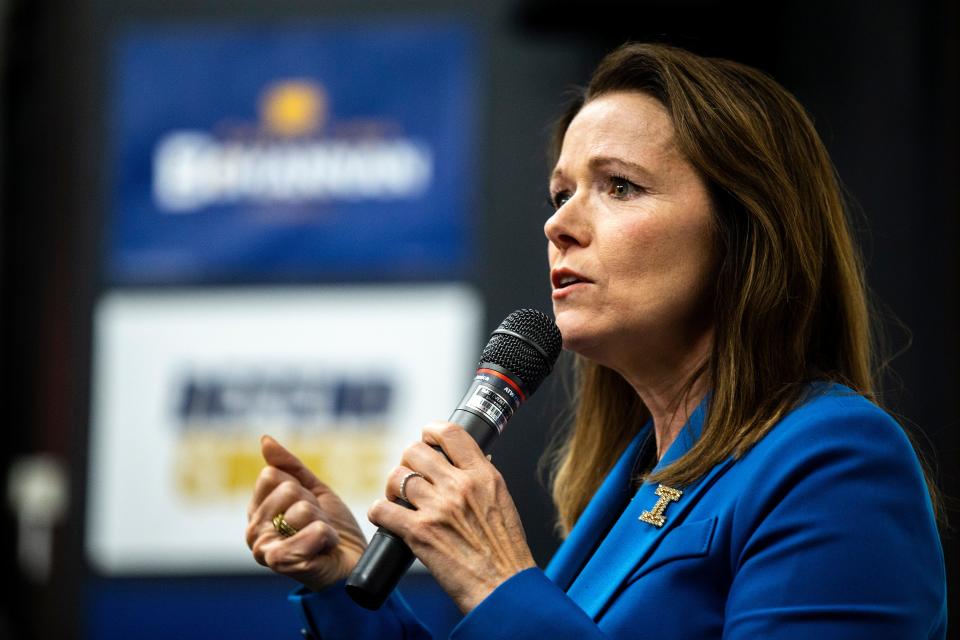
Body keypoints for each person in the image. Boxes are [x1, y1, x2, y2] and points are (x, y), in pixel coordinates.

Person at [245, 43, 947, 638]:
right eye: (561, 194)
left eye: (619, 187)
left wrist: (498, 582)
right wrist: (343, 581)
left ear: (744, 231)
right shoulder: (626, 487)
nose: (559, 225)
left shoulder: (834, 461)